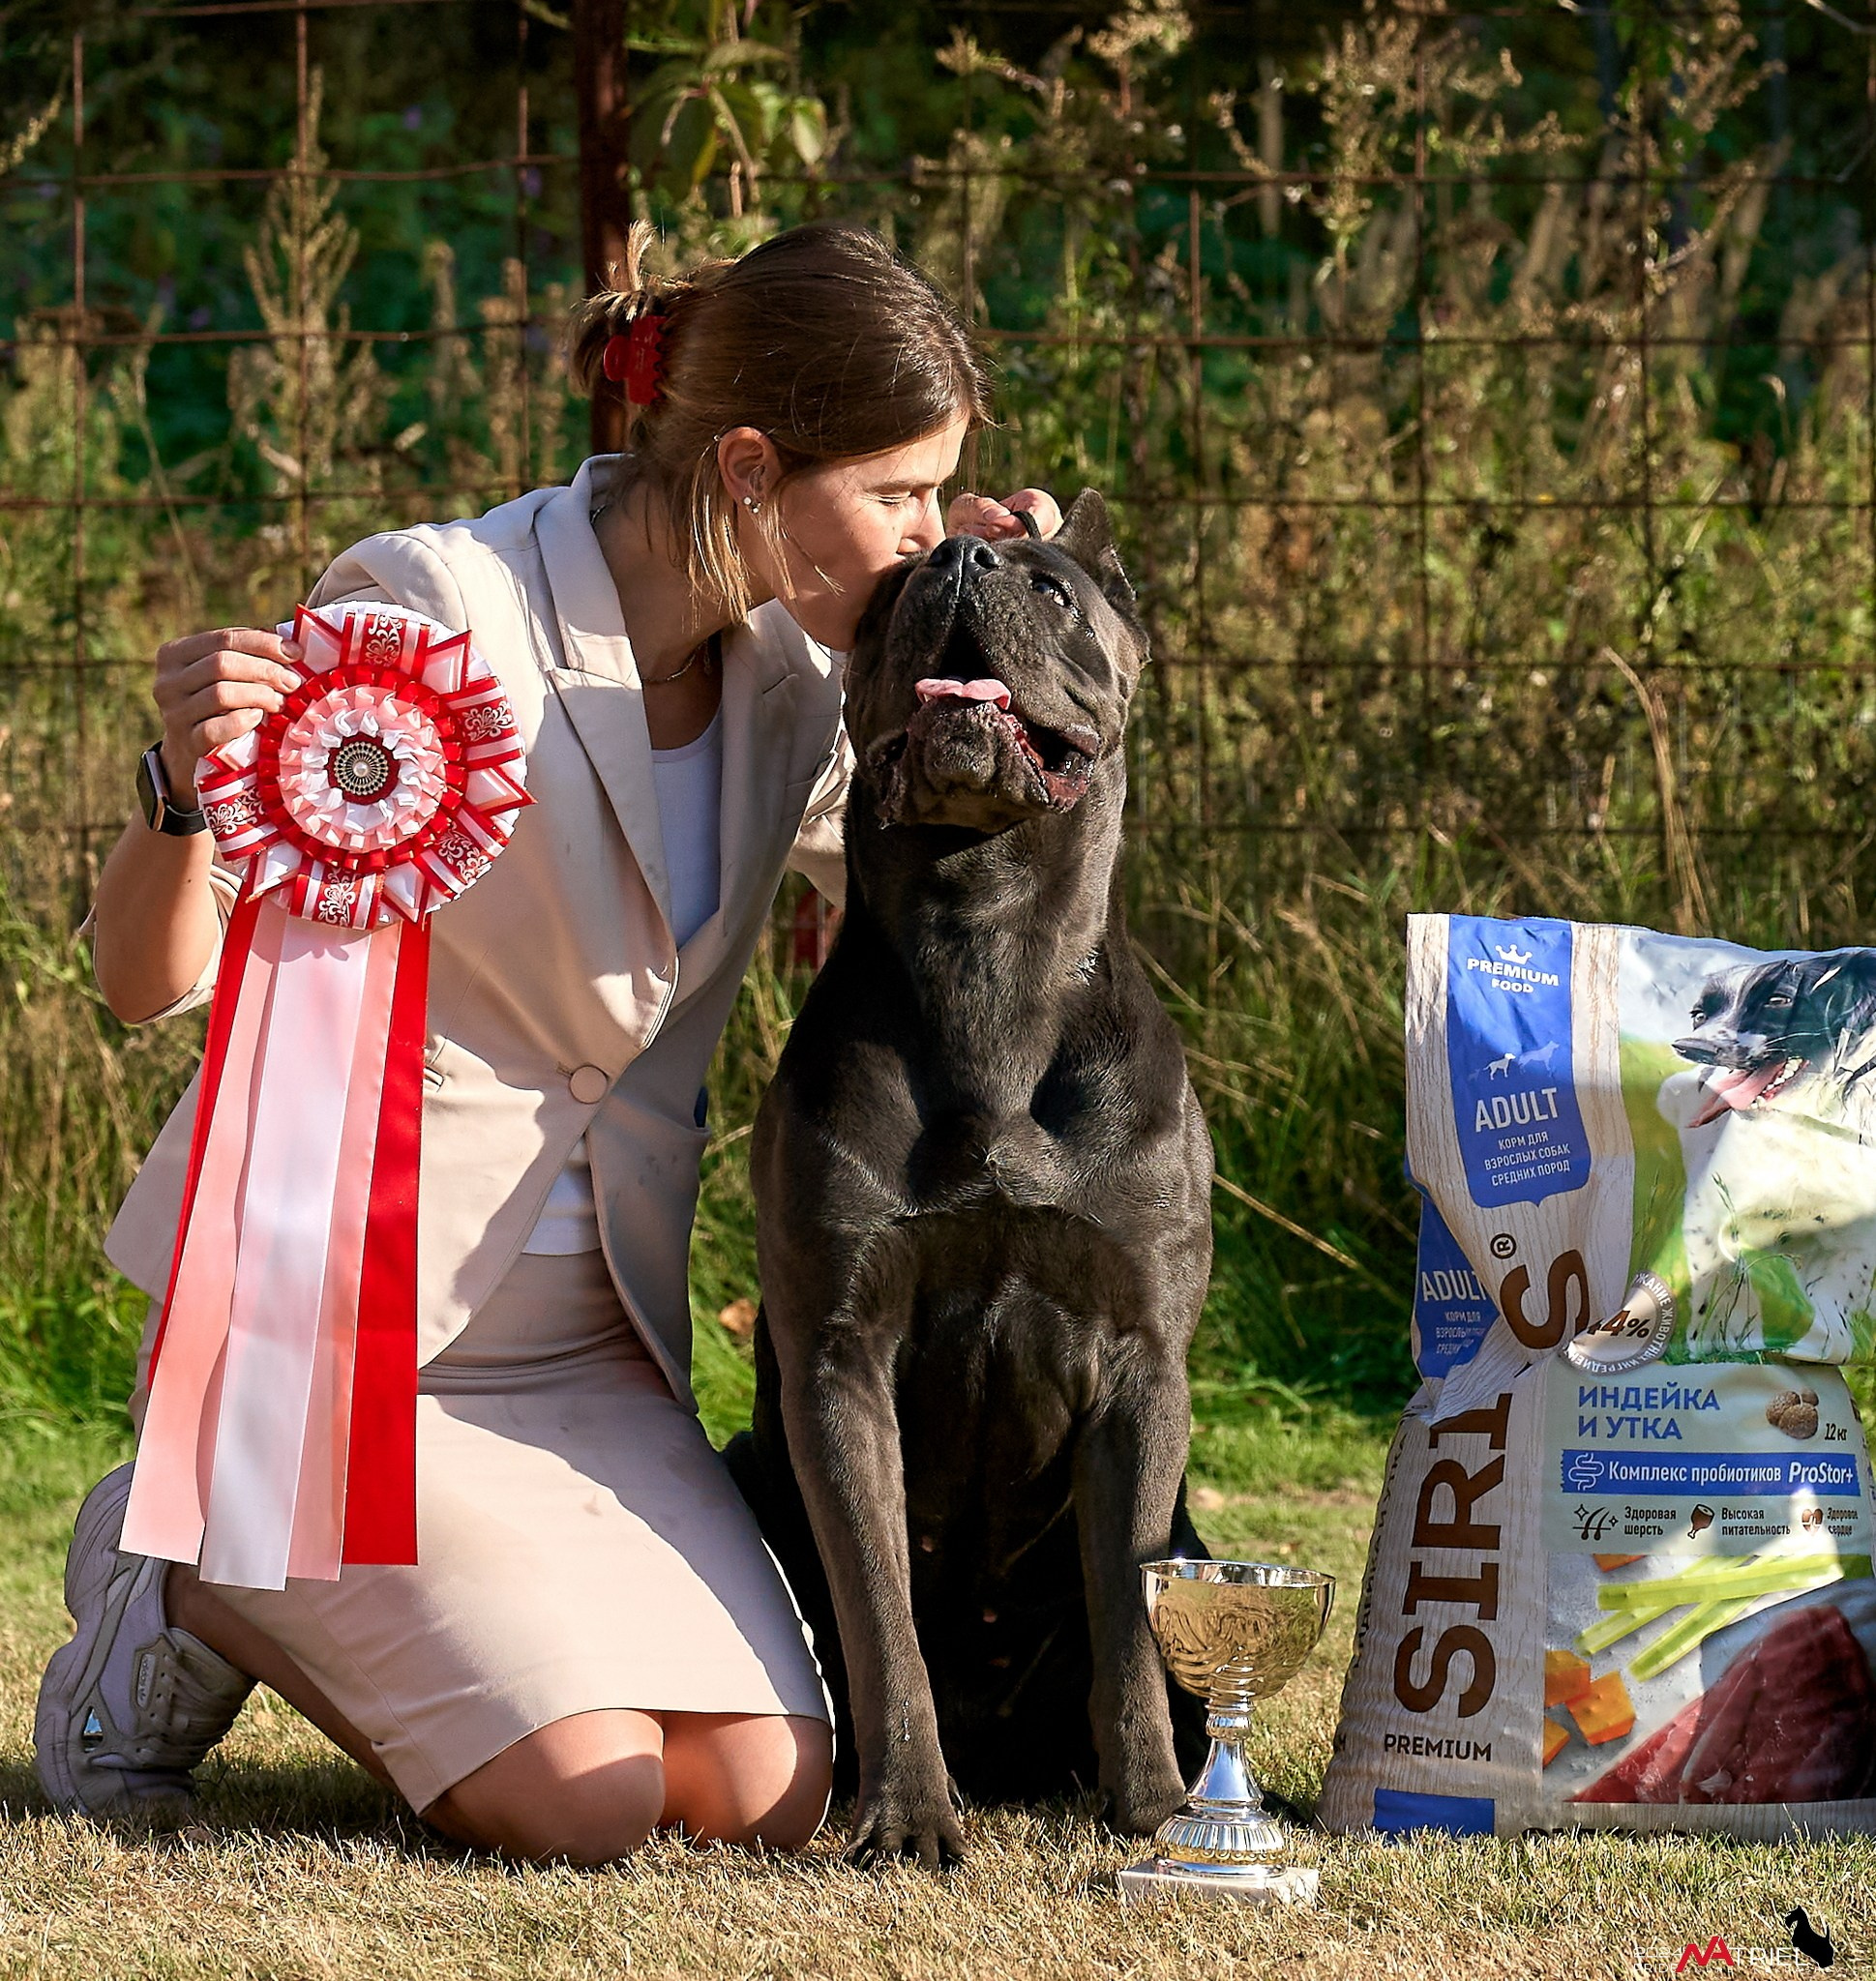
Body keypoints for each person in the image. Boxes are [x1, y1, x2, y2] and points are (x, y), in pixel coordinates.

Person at [36, 220, 1060, 1865]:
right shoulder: (433, 604)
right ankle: (186, 1570)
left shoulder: (803, 673)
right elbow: (146, 981)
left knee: (767, 1795)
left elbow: (963, 865)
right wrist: (177, 791)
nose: (927, 532)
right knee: (588, 1803)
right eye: (902, 495)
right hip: (340, 1348)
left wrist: (992, 623)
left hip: (599, 1356)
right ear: (750, 470)